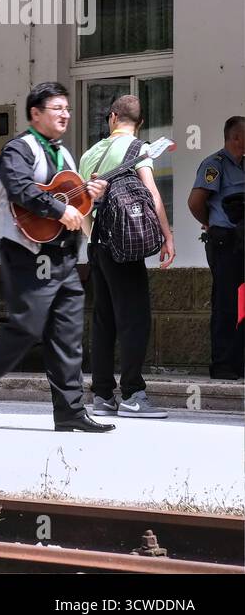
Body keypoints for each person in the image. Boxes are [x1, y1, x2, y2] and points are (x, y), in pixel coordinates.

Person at [0, 82, 114, 433]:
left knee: (68, 334)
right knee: (26, 326)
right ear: (35, 114)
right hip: (27, 253)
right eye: (57, 108)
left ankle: (70, 411)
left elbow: (72, 202)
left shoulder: (65, 155)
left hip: (62, 256)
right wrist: (59, 209)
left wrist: (90, 193)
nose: (65, 115)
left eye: (67, 109)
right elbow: (21, 190)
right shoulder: (18, 150)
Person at [78, 95, 174, 418]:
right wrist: (167, 236)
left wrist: (94, 239)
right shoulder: (138, 149)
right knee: (135, 317)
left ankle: (102, 395)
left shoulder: (89, 155)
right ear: (140, 123)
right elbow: (152, 193)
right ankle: (133, 394)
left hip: (98, 248)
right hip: (125, 248)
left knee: (103, 319)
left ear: (112, 118)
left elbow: (82, 210)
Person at [188, 116, 245, 380]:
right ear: (235, 138)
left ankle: (240, 361)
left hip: (242, 239)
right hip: (224, 241)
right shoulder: (215, 165)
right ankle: (223, 364)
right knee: (227, 303)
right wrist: (210, 223)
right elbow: (196, 201)